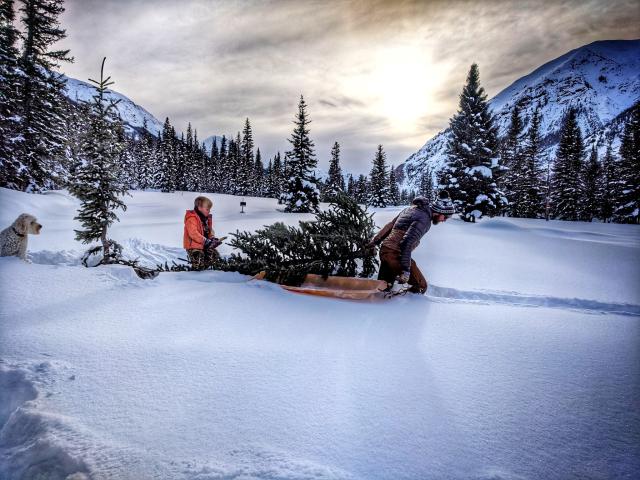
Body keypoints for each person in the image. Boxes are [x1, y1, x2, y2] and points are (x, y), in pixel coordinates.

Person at [368, 191, 455, 293]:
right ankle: (407, 304)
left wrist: (374, 242)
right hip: (395, 254)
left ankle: (378, 302)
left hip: (385, 251)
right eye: (446, 216)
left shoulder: (409, 209)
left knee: (384, 286)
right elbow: (406, 243)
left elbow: (390, 226)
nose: (445, 220)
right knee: (421, 286)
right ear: (439, 211)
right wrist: (406, 270)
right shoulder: (424, 219)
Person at [183, 196, 222, 270]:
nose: (209, 211)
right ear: (200, 207)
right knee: (198, 258)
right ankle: (195, 274)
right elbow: (193, 233)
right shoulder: (192, 218)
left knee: (214, 255)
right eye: (207, 209)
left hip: (204, 245)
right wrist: (206, 241)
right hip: (194, 246)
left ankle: (206, 271)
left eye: (209, 209)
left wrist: (212, 238)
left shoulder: (205, 219)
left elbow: (209, 230)